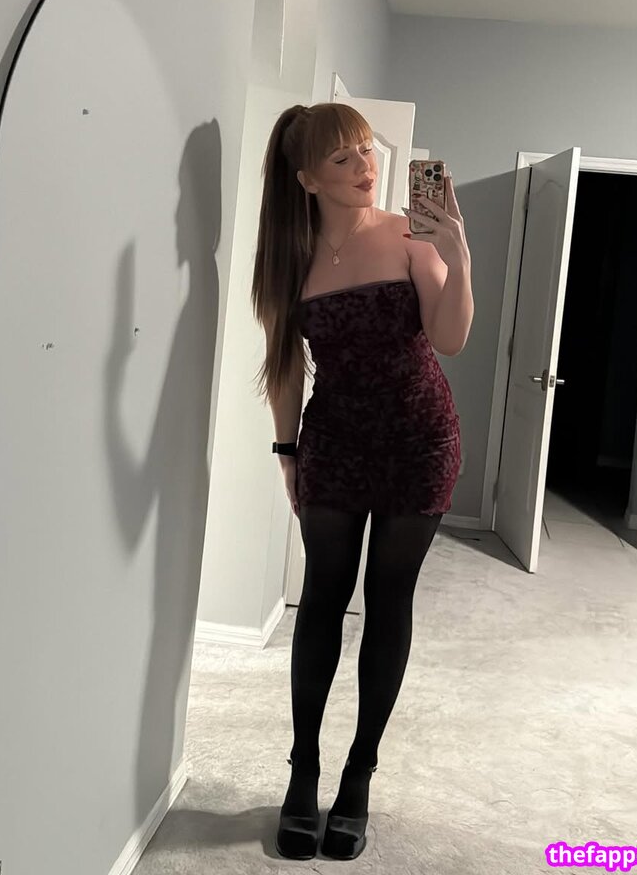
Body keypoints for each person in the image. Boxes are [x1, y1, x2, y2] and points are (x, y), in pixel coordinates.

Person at [250, 102, 473, 861]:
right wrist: (288, 451)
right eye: (341, 158)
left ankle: (358, 776)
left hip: (419, 440)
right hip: (336, 442)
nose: (364, 167)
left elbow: (450, 337)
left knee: (388, 600)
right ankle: (303, 770)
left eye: (365, 151)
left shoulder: (410, 234)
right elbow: (285, 365)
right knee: (322, 599)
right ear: (308, 178)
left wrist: (458, 255)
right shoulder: (289, 257)